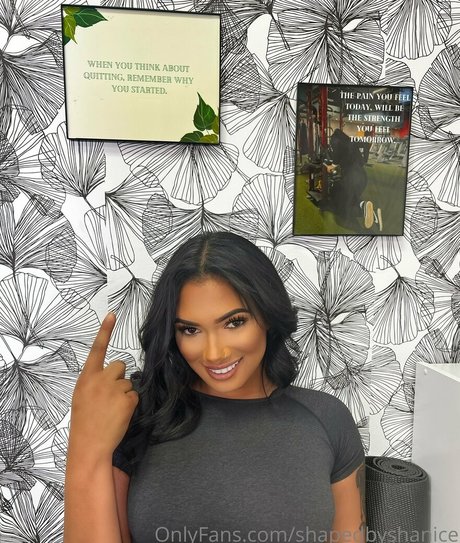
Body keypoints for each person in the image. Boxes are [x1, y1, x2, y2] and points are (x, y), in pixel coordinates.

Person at [64, 232, 365, 543]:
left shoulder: (328, 419)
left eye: (234, 322)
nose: (213, 354)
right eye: (190, 329)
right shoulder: (139, 414)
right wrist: (85, 443)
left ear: (267, 314)